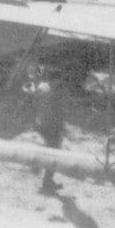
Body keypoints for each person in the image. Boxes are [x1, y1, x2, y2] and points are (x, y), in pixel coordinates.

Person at [27, 59, 67, 195]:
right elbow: (59, 112)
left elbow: (32, 96)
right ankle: (47, 182)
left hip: (41, 123)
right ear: (56, 79)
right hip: (51, 126)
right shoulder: (56, 92)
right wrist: (62, 127)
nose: (61, 82)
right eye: (59, 79)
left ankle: (46, 179)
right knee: (54, 154)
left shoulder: (42, 87)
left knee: (51, 151)